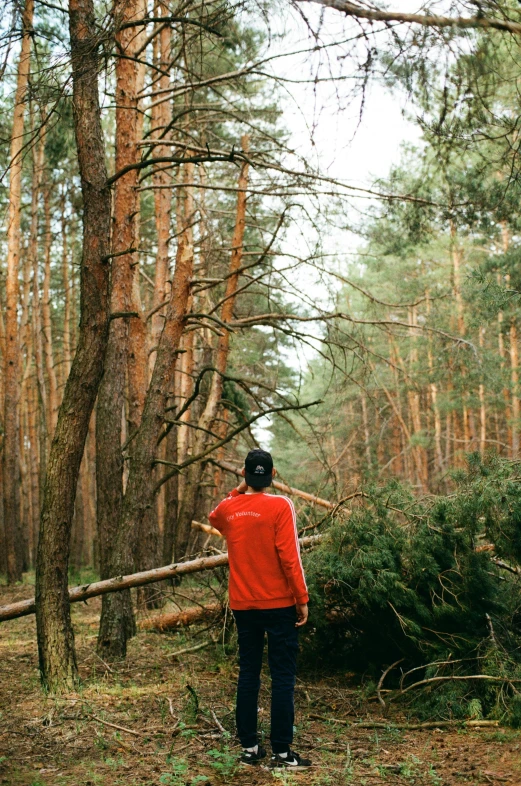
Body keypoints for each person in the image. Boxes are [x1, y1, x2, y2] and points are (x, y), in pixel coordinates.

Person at [208, 449, 312, 770]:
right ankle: (282, 753)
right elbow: (289, 556)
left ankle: (251, 749)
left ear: (244, 474)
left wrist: (239, 490)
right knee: (282, 676)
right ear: (273, 474)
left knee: (249, 674)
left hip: (243, 606)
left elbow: (215, 517)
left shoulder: (230, 508)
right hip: (279, 604)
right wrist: (302, 598)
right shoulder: (281, 506)